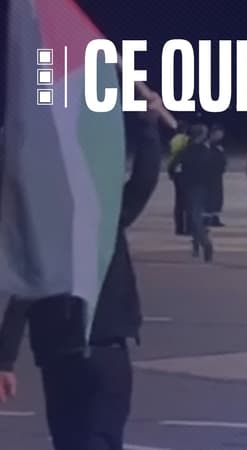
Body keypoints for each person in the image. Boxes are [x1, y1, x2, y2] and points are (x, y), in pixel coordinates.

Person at [0, 94, 164, 450]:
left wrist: (5, 359)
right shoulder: (103, 219)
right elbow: (144, 181)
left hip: (58, 353)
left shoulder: (38, 228)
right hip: (104, 349)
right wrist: (148, 127)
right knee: (98, 438)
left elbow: (19, 296)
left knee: (70, 439)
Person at [169, 124, 215, 262]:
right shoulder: (207, 151)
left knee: (194, 217)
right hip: (205, 188)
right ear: (201, 135)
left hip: (190, 188)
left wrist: (178, 178)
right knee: (197, 217)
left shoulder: (185, 151)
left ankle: (203, 243)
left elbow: (172, 167)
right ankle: (200, 243)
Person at [168, 122, 190, 235]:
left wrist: (170, 171)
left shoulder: (173, 140)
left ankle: (179, 227)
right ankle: (188, 227)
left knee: (178, 202)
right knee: (187, 202)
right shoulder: (186, 139)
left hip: (175, 169)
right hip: (184, 171)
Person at [205, 123, 227, 227]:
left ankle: (214, 218)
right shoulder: (207, 145)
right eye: (219, 134)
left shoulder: (218, 146)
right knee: (209, 197)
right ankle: (207, 219)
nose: (220, 136)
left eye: (221, 134)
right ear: (213, 133)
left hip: (217, 176)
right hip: (209, 175)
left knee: (218, 197)